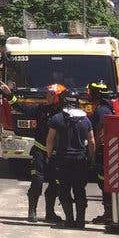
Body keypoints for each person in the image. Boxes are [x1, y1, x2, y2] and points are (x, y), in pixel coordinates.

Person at [1, 81, 62, 223]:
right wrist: (10, 95)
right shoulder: (41, 109)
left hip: (56, 154)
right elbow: (22, 108)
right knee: (37, 181)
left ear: (58, 97)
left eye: (51, 94)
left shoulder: (63, 114)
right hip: (40, 150)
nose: (47, 96)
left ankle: (50, 213)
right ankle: (32, 211)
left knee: (55, 183)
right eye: (47, 93)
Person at [46, 88, 94, 228]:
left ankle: (69, 220)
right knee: (80, 190)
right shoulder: (85, 119)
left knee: (64, 189)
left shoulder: (57, 118)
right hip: (80, 160)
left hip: (63, 160)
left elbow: (50, 140)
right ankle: (80, 221)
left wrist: (49, 156)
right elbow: (91, 141)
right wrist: (90, 158)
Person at [86, 81, 117, 224]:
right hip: (106, 151)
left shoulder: (101, 111)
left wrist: (94, 152)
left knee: (104, 182)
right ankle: (109, 213)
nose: (88, 94)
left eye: (90, 92)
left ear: (96, 94)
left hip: (103, 152)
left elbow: (99, 133)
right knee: (104, 182)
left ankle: (109, 214)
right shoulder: (105, 108)